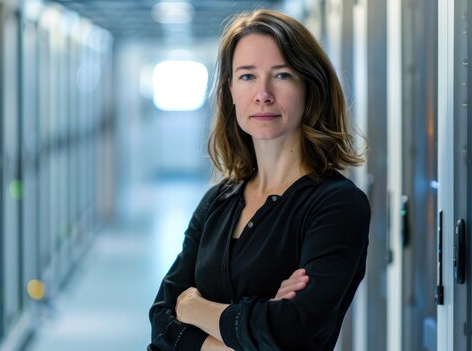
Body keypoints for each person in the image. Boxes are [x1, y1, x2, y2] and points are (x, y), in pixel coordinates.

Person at [148, 8, 370, 351]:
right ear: (230, 90)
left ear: (310, 87)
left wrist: (193, 308)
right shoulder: (218, 201)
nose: (263, 93)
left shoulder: (336, 205)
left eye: (281, 75)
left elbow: (292, 330)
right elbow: (162, 323)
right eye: (248, 76)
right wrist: (256, 325)